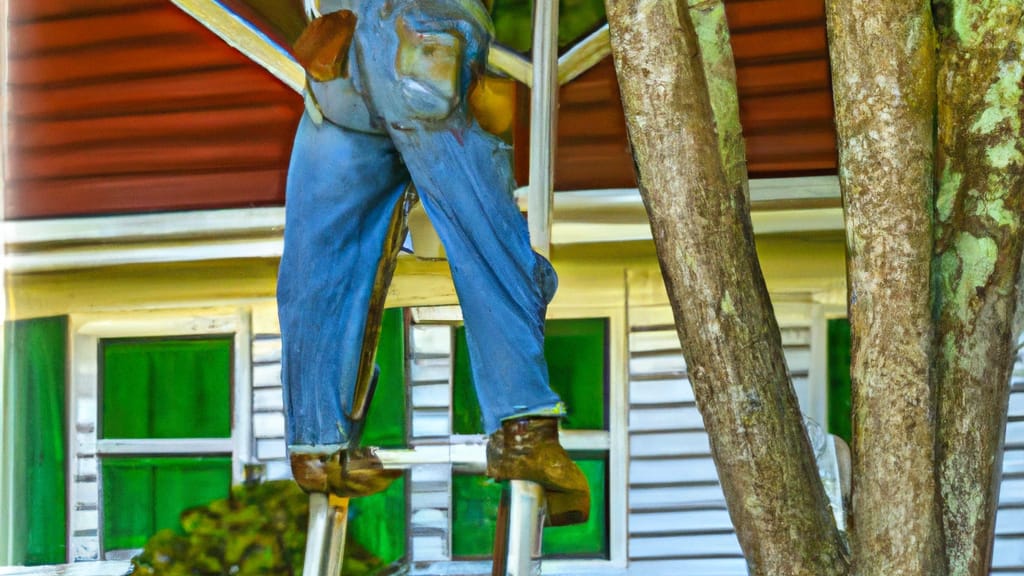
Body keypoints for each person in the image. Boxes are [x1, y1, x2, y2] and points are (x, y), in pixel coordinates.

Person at [277, 0, 589, 526]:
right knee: (483, 236)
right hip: (417, 35)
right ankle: (525, 432)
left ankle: (316, 450)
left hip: (336, 57)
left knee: (320, 259)